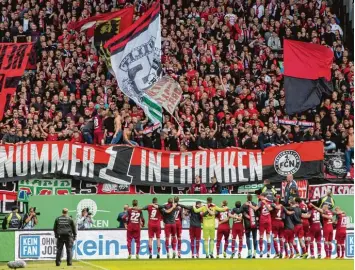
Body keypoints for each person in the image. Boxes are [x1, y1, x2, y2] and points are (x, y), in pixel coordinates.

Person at [247, 193, 273, 258]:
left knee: (261, 236)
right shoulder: (270, 201)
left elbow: (255, 208)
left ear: (263, 196)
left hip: (262, 220)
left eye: (260, 196)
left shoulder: (261, 202)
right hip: (268, 220)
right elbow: (270, 209)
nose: (259, 197)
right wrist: (266, 203)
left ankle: (262, 252)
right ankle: (268, 253)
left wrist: (250, 205)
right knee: (268, 237)